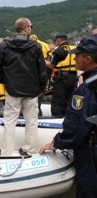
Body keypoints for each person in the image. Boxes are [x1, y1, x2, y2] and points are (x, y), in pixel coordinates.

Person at [39, 35, 97, 197]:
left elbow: (77, 124)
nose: (74, 57)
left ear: (88, 58)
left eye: (77, 54)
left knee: (89, 190)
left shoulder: (86, 89)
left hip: (91, 149)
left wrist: (57, 142)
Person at [0, 17, 47, 156]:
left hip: (13, 90)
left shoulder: (5, 45)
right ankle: (29, 150)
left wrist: (4, 81)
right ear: (26, 29)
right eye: (31, 27)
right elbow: (42, 70)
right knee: (31, 122)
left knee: (10, 122)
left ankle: (6, 152)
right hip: (32, 90)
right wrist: (42, 88)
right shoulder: (35, 46)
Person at [45, 33, 77, 116]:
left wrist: (42, 59)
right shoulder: (74, 48)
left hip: (62, 78)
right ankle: (67, 117)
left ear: (59, 40)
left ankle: (57, 117)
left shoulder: (59, 50)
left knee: (57, 100)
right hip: (73, 77)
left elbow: (51, 65)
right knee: (68, 99)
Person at [30, 34, 53, 116]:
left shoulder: (30, 45)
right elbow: (50, 57)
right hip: (44, 70)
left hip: (34, 71)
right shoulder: (45, 45)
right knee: (38, 100)